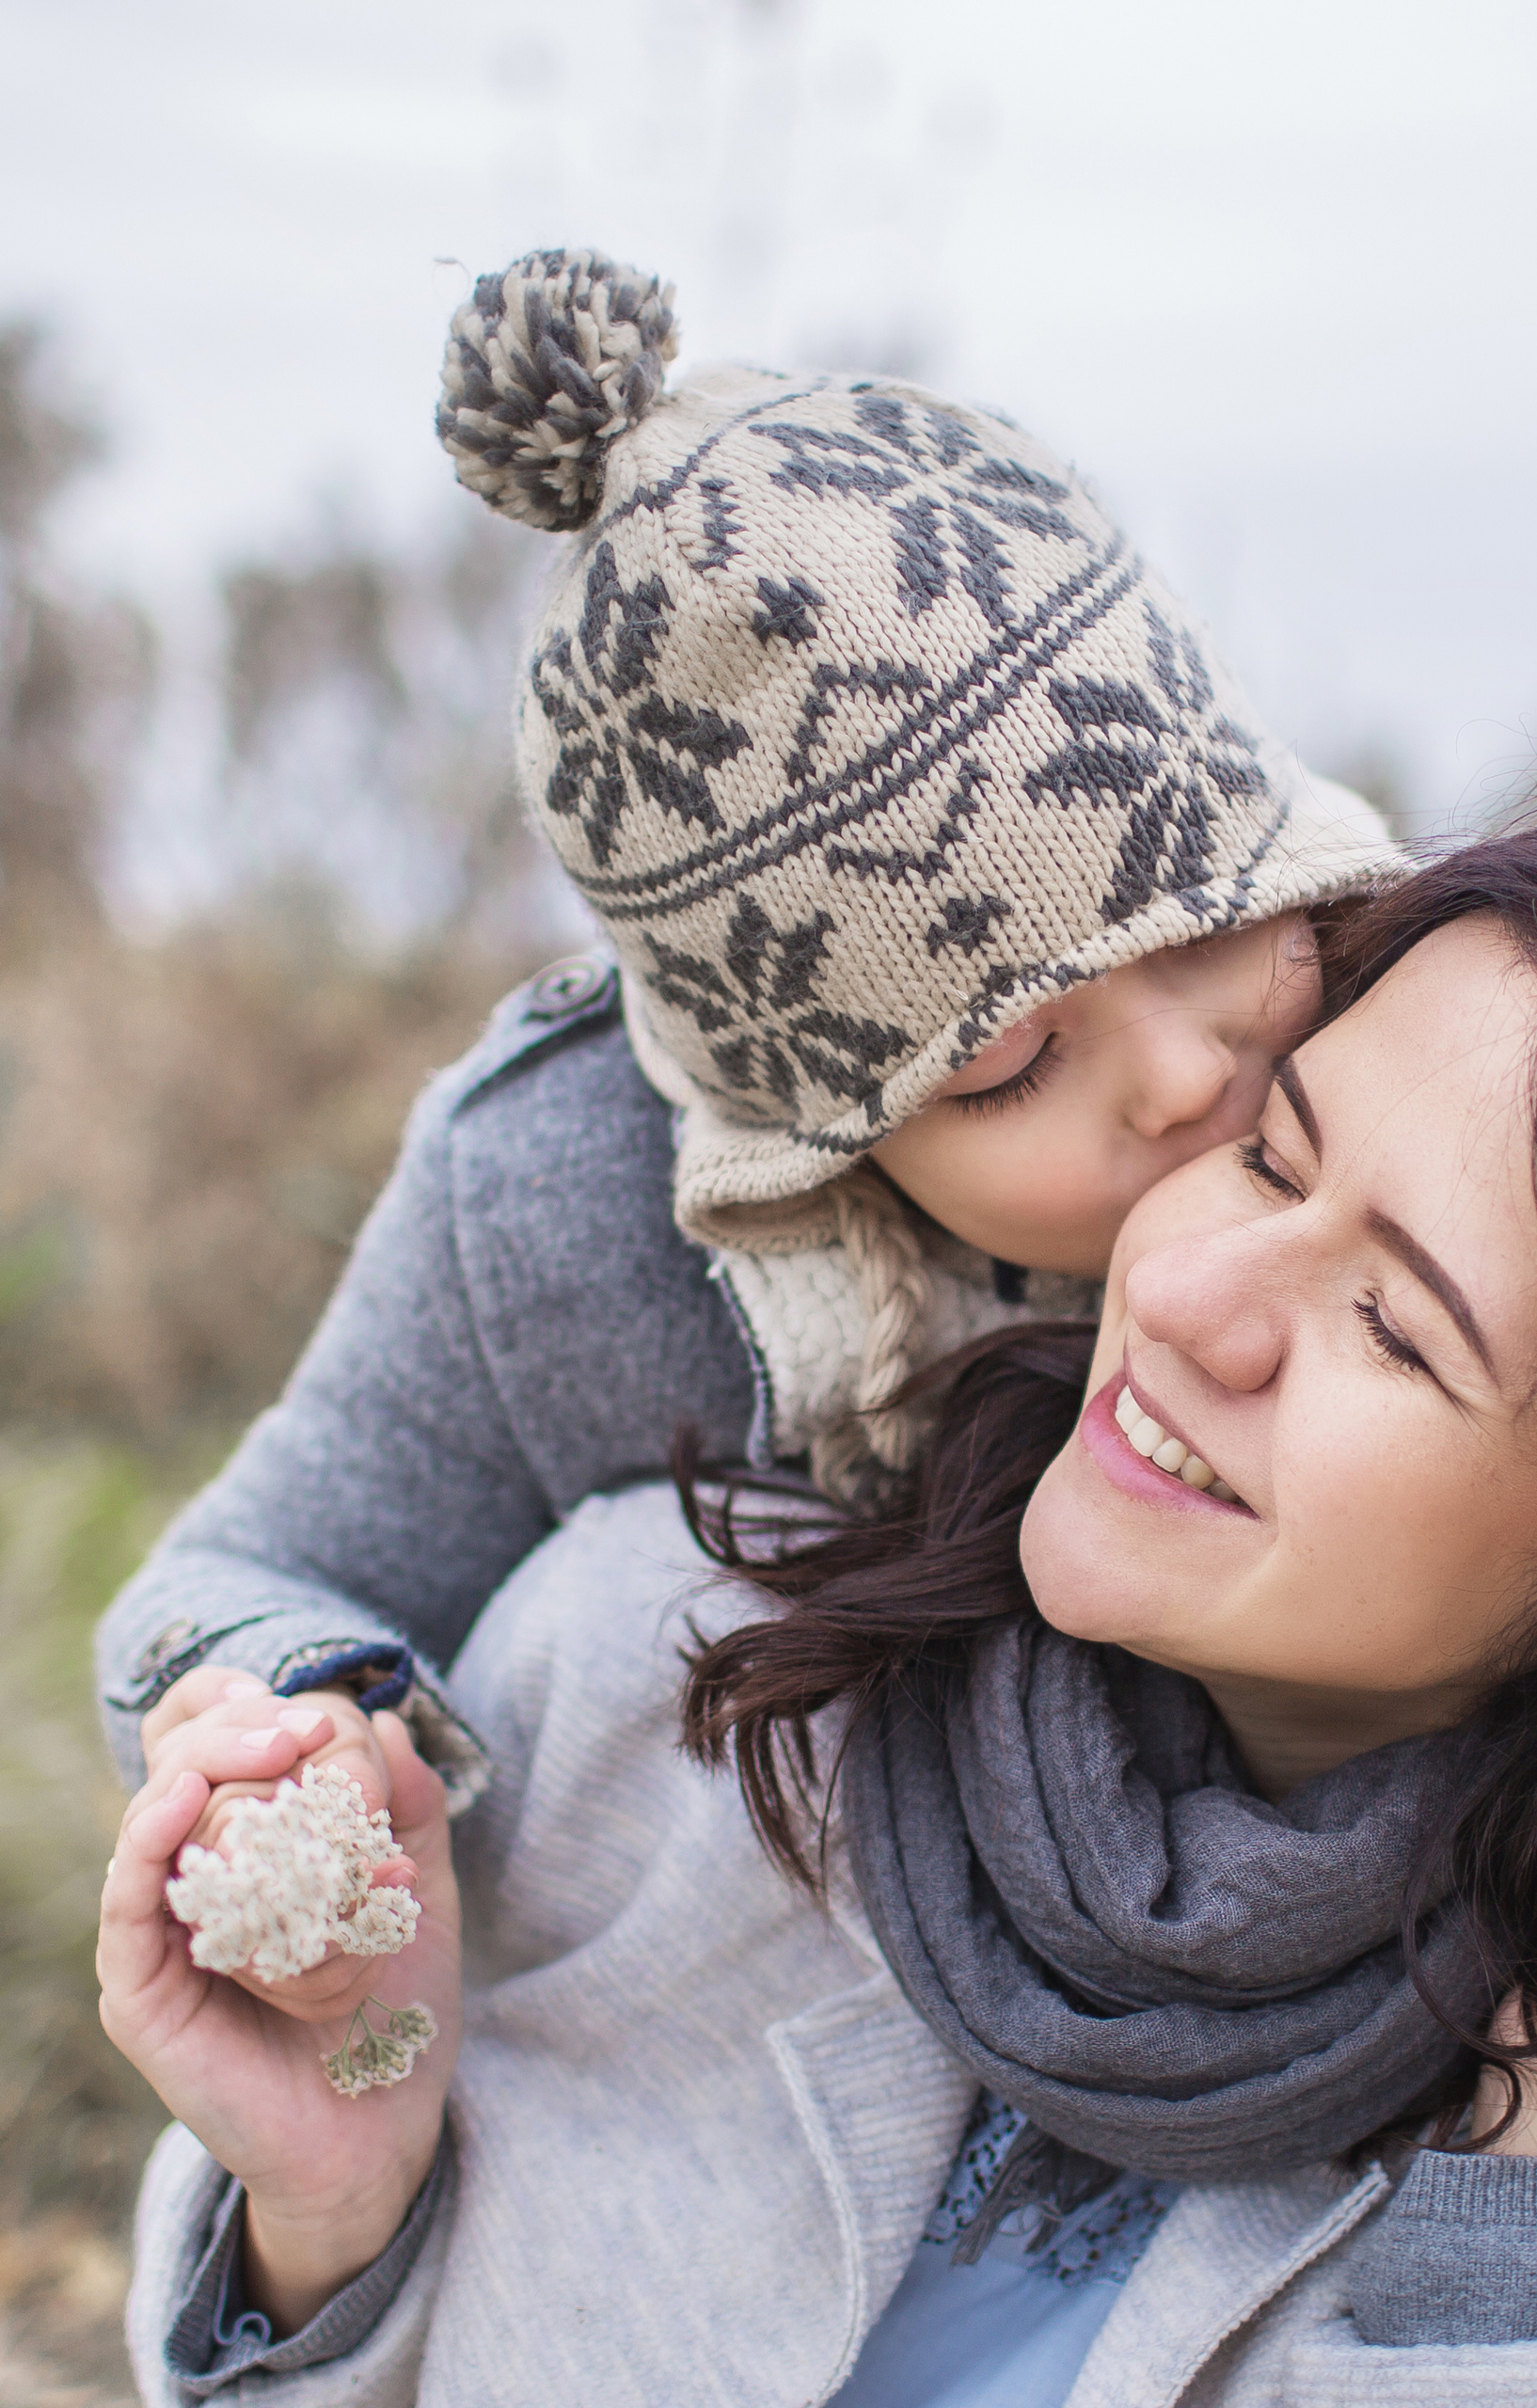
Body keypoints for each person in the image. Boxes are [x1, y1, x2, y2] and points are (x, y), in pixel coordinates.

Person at [101, 806, 1537, 2404]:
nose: (1199, 1288)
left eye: (1391, 1323)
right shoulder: (670, 1669)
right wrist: (332, 2210)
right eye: (1270, 1155)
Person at [92, 245, 1391, 1895]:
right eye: (1002, 1061)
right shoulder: (557, 1214)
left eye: (1214, 924)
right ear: (802, 1133)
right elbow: (238, 1573)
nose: (1184, 1077)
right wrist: (302, 1728)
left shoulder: (1423, 1039)